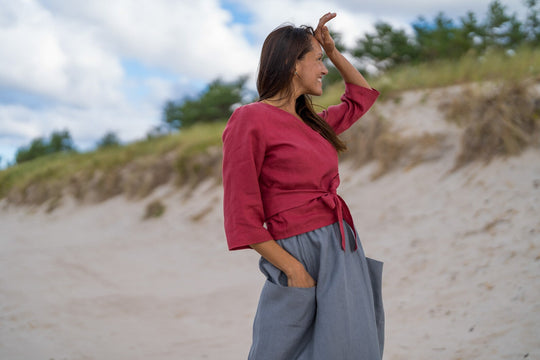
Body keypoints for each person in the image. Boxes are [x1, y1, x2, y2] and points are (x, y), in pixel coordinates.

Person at [222, 12, 384, 360]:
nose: (325, 69)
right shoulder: (250, 118)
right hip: (299, 249)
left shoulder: (314, 123)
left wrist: (334, 50)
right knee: (281, 349)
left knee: (349, 346)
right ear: (293, 64)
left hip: (340, 242)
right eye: (318, 60)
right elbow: (242, 214)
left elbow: (362, 95)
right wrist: (292, 268)